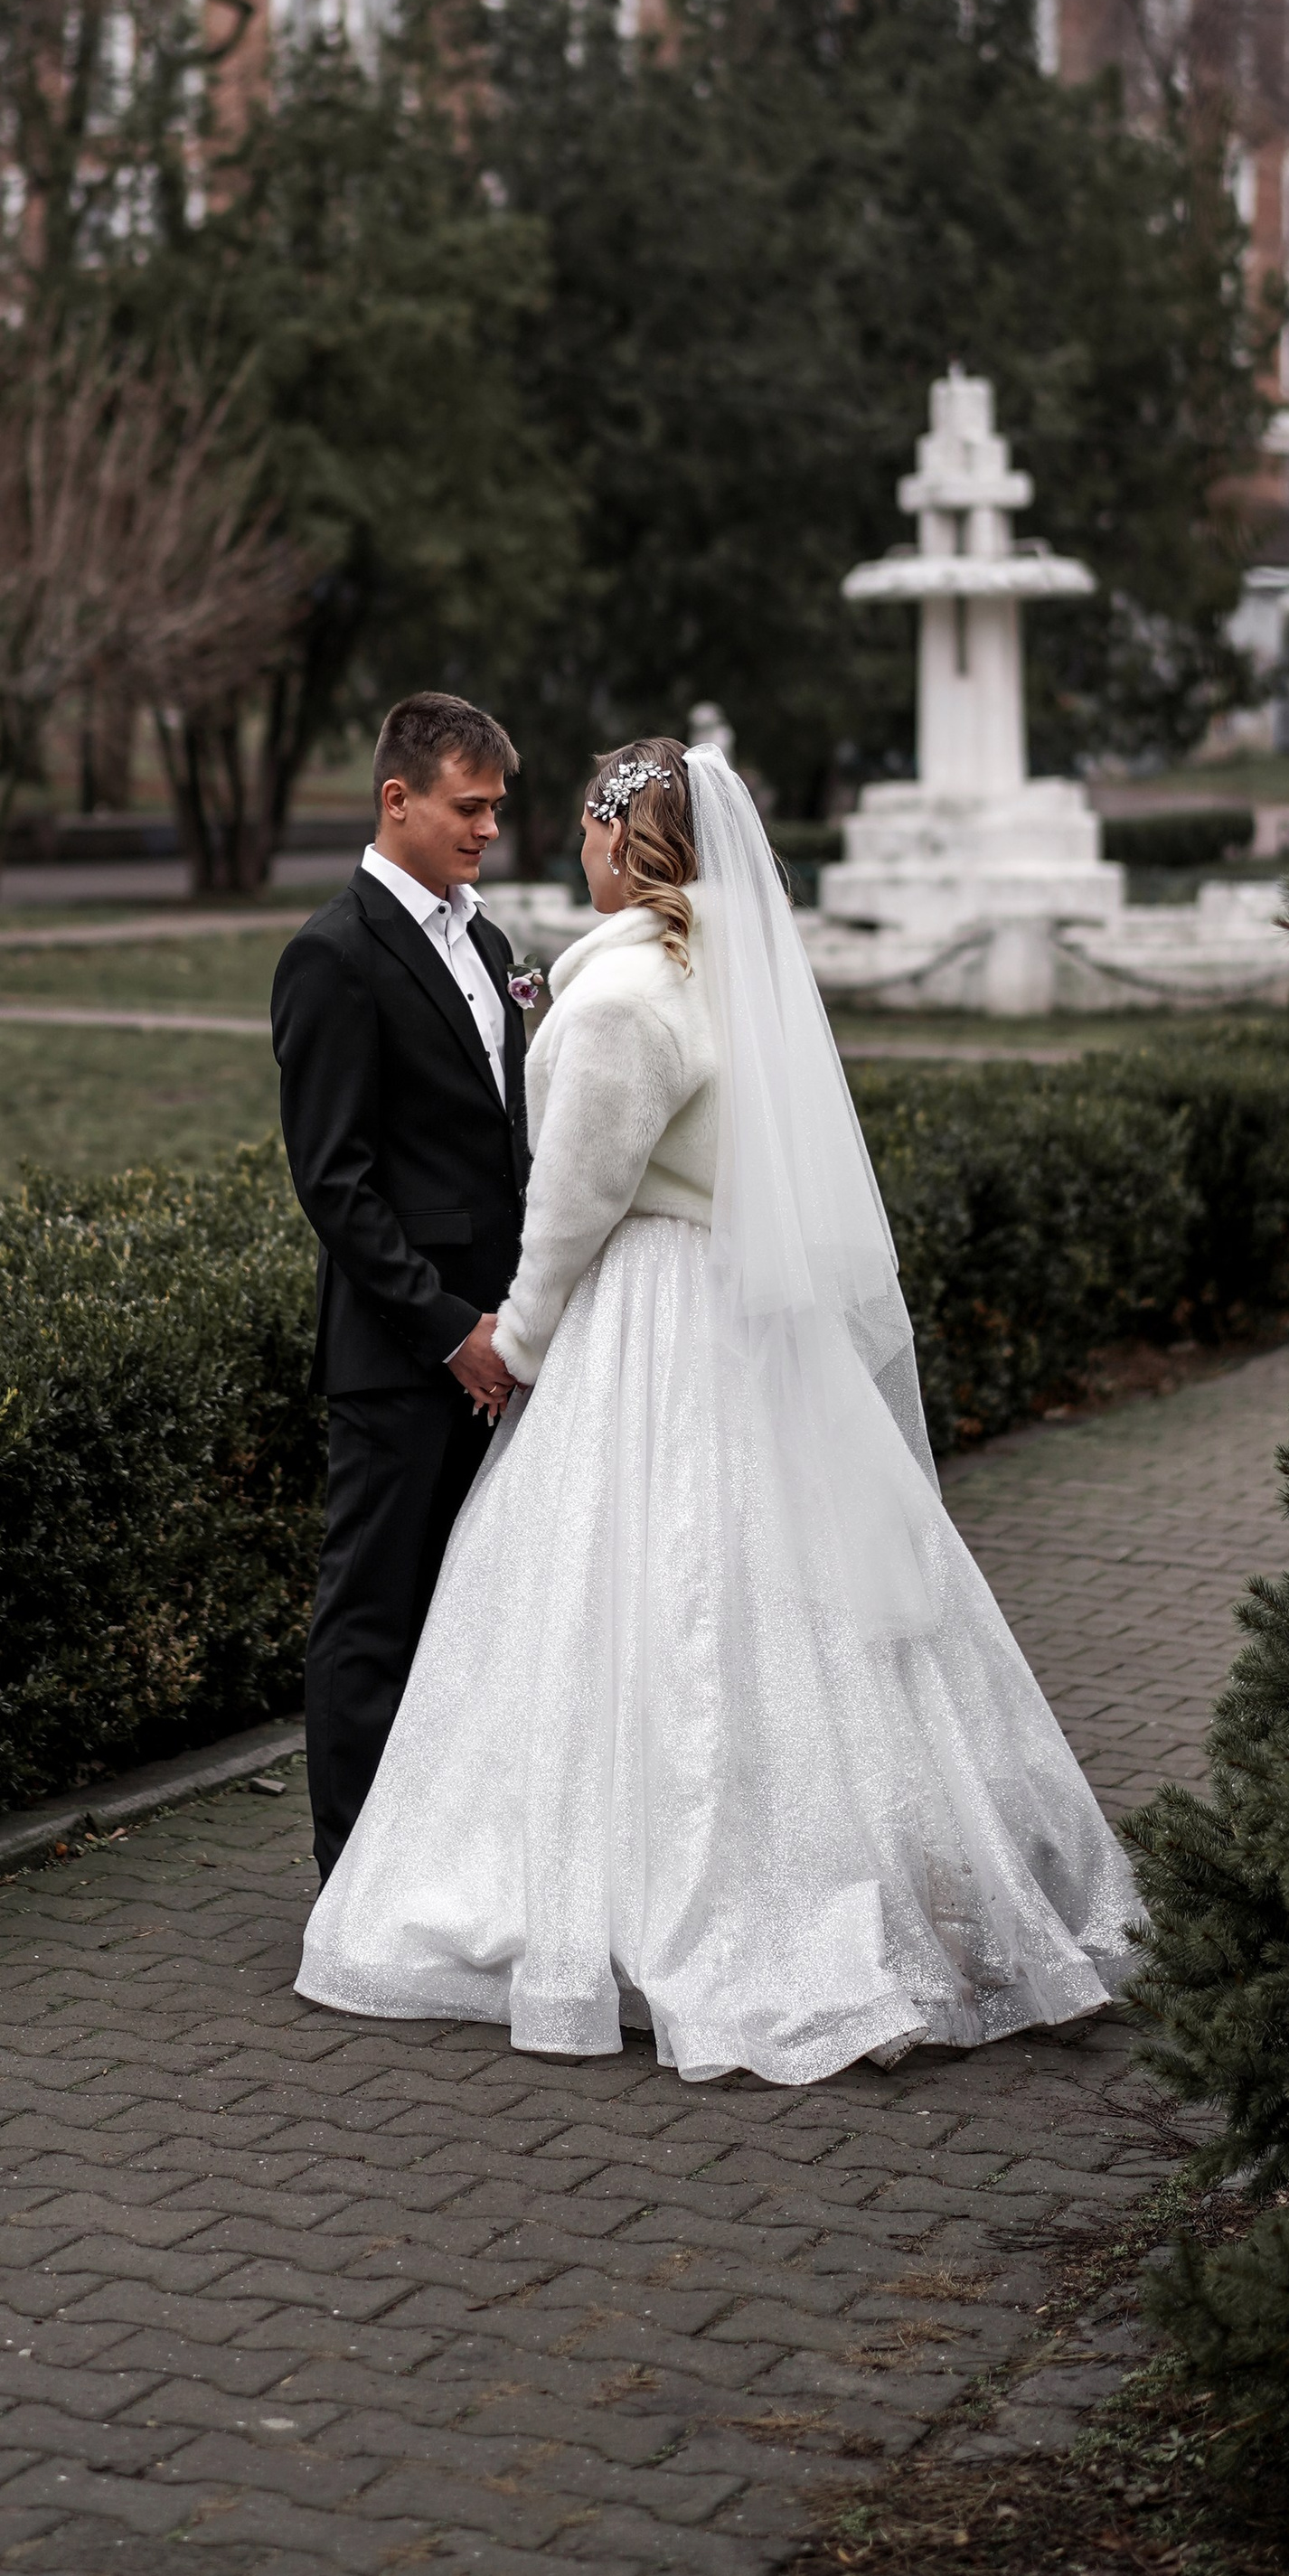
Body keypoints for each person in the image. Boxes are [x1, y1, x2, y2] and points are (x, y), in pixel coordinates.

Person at [296, 735, 1140, 2085]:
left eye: (572, 820)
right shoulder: (724, 972)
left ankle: (661, 1896)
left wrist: (515, 1339)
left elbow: (575, 1206)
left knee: (644, 1596)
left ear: (619, 836)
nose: (554, 841)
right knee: (767, 1603)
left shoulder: (626, 994)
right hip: (741, 1320)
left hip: (650, 1318)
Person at [271, 691, 530, 1882]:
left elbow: (500, 1153)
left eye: (496, 810)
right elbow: (338, 1184)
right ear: (399, 799)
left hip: (502, 1343)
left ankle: (445, 1862)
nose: (487, 830)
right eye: (468, 807)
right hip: (398, 1351)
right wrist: (447, 1330)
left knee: (468, 1617)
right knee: (372, 1618)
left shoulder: (489, 946)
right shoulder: (332, 956)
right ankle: (354, 1883)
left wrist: (519, 1319)